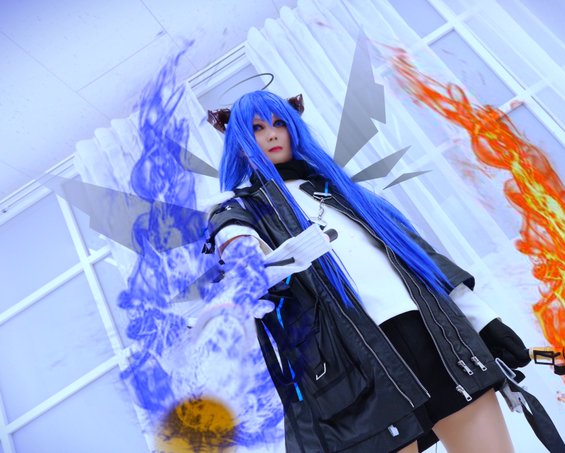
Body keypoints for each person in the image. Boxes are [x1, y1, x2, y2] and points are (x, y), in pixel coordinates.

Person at [204, 90, 530, 452]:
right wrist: (244, 256)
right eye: (257, 128)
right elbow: (238, 247)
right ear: (239, 143)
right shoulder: (241, 211)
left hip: (435, 339)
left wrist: (485, 322)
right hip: (357, 367)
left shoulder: (343, 192)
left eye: (279, 123)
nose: (271, 134)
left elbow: (423, 262)